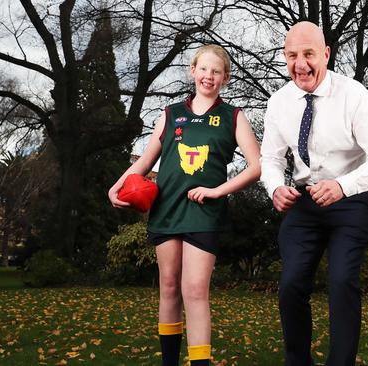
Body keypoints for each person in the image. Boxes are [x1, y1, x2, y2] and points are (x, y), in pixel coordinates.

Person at [108, 45, 261, 366]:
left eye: (216, 71)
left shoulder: (233, 116)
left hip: (204, 212)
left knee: (193, 290)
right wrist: (117, 185)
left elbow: (256, 166)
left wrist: (218, 191)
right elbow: (146, 161)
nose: (209, 76)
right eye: (203, 69)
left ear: (225, 78)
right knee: (168, 286)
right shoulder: (170, 113)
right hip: (167, 208)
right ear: (193, 71)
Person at [260, 21, 368, 366]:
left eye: (308, 54)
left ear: (326, 54)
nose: (300, 64)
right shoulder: (279, 103)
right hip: (304, 203)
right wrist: (275, 187)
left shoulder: (354, 95)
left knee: (342, 281)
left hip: (350, 200)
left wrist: (342, 186)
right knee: (290, 285)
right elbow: (271, 158)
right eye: (291, 56)